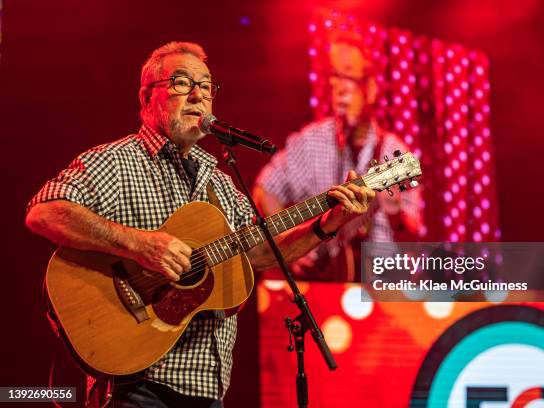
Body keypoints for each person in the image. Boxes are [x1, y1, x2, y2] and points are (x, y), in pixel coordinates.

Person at [25, 41, 376, 407]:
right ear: (147, 99)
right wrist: (140, 245)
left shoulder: (220, 182)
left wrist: (328, 223)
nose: (197, 95)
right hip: (137, 384)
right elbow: (44, 212)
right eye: (181, 82)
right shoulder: (116, 162)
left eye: (206, 86)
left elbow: (260, 252)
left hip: (208, 393)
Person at [254, 37, 423, 281]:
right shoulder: (310, 141)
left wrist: (395, 211)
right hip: (314, 288)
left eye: (350, 78)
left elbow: (412, 238)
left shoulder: (393, 152)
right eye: (335, 79)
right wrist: (291, 247)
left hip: (382, 283)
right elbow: (265, 189)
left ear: (371, 89)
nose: (340, 88)